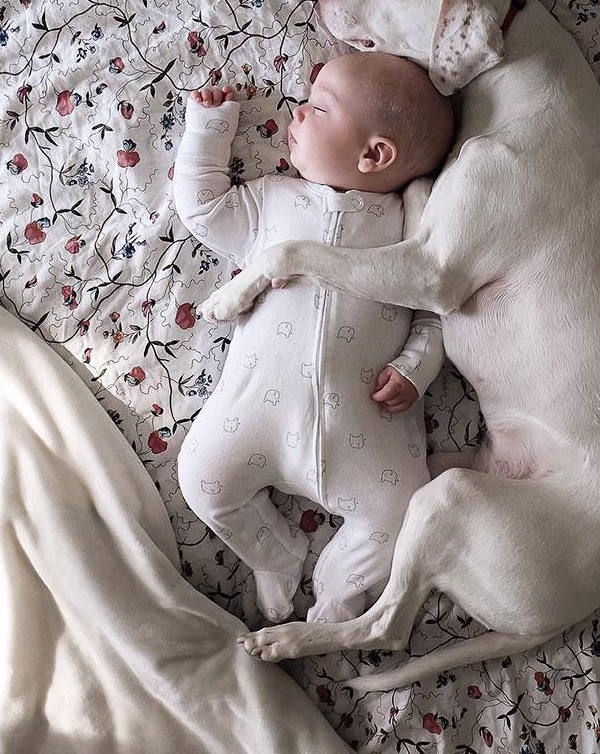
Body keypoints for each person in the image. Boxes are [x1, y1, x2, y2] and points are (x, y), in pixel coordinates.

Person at [173, 52, 454, 624]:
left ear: (374, 154)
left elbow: (434, 310)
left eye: (319, 107)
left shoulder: (409, 226)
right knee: (201, 479)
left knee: (401, 513)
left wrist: (415, 366)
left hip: (363, 433)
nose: (296, 112)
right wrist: (207, 130)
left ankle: (337, 592)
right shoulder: (272, 200)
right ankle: (275, 554)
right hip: (253, 417)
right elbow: (202, 210)